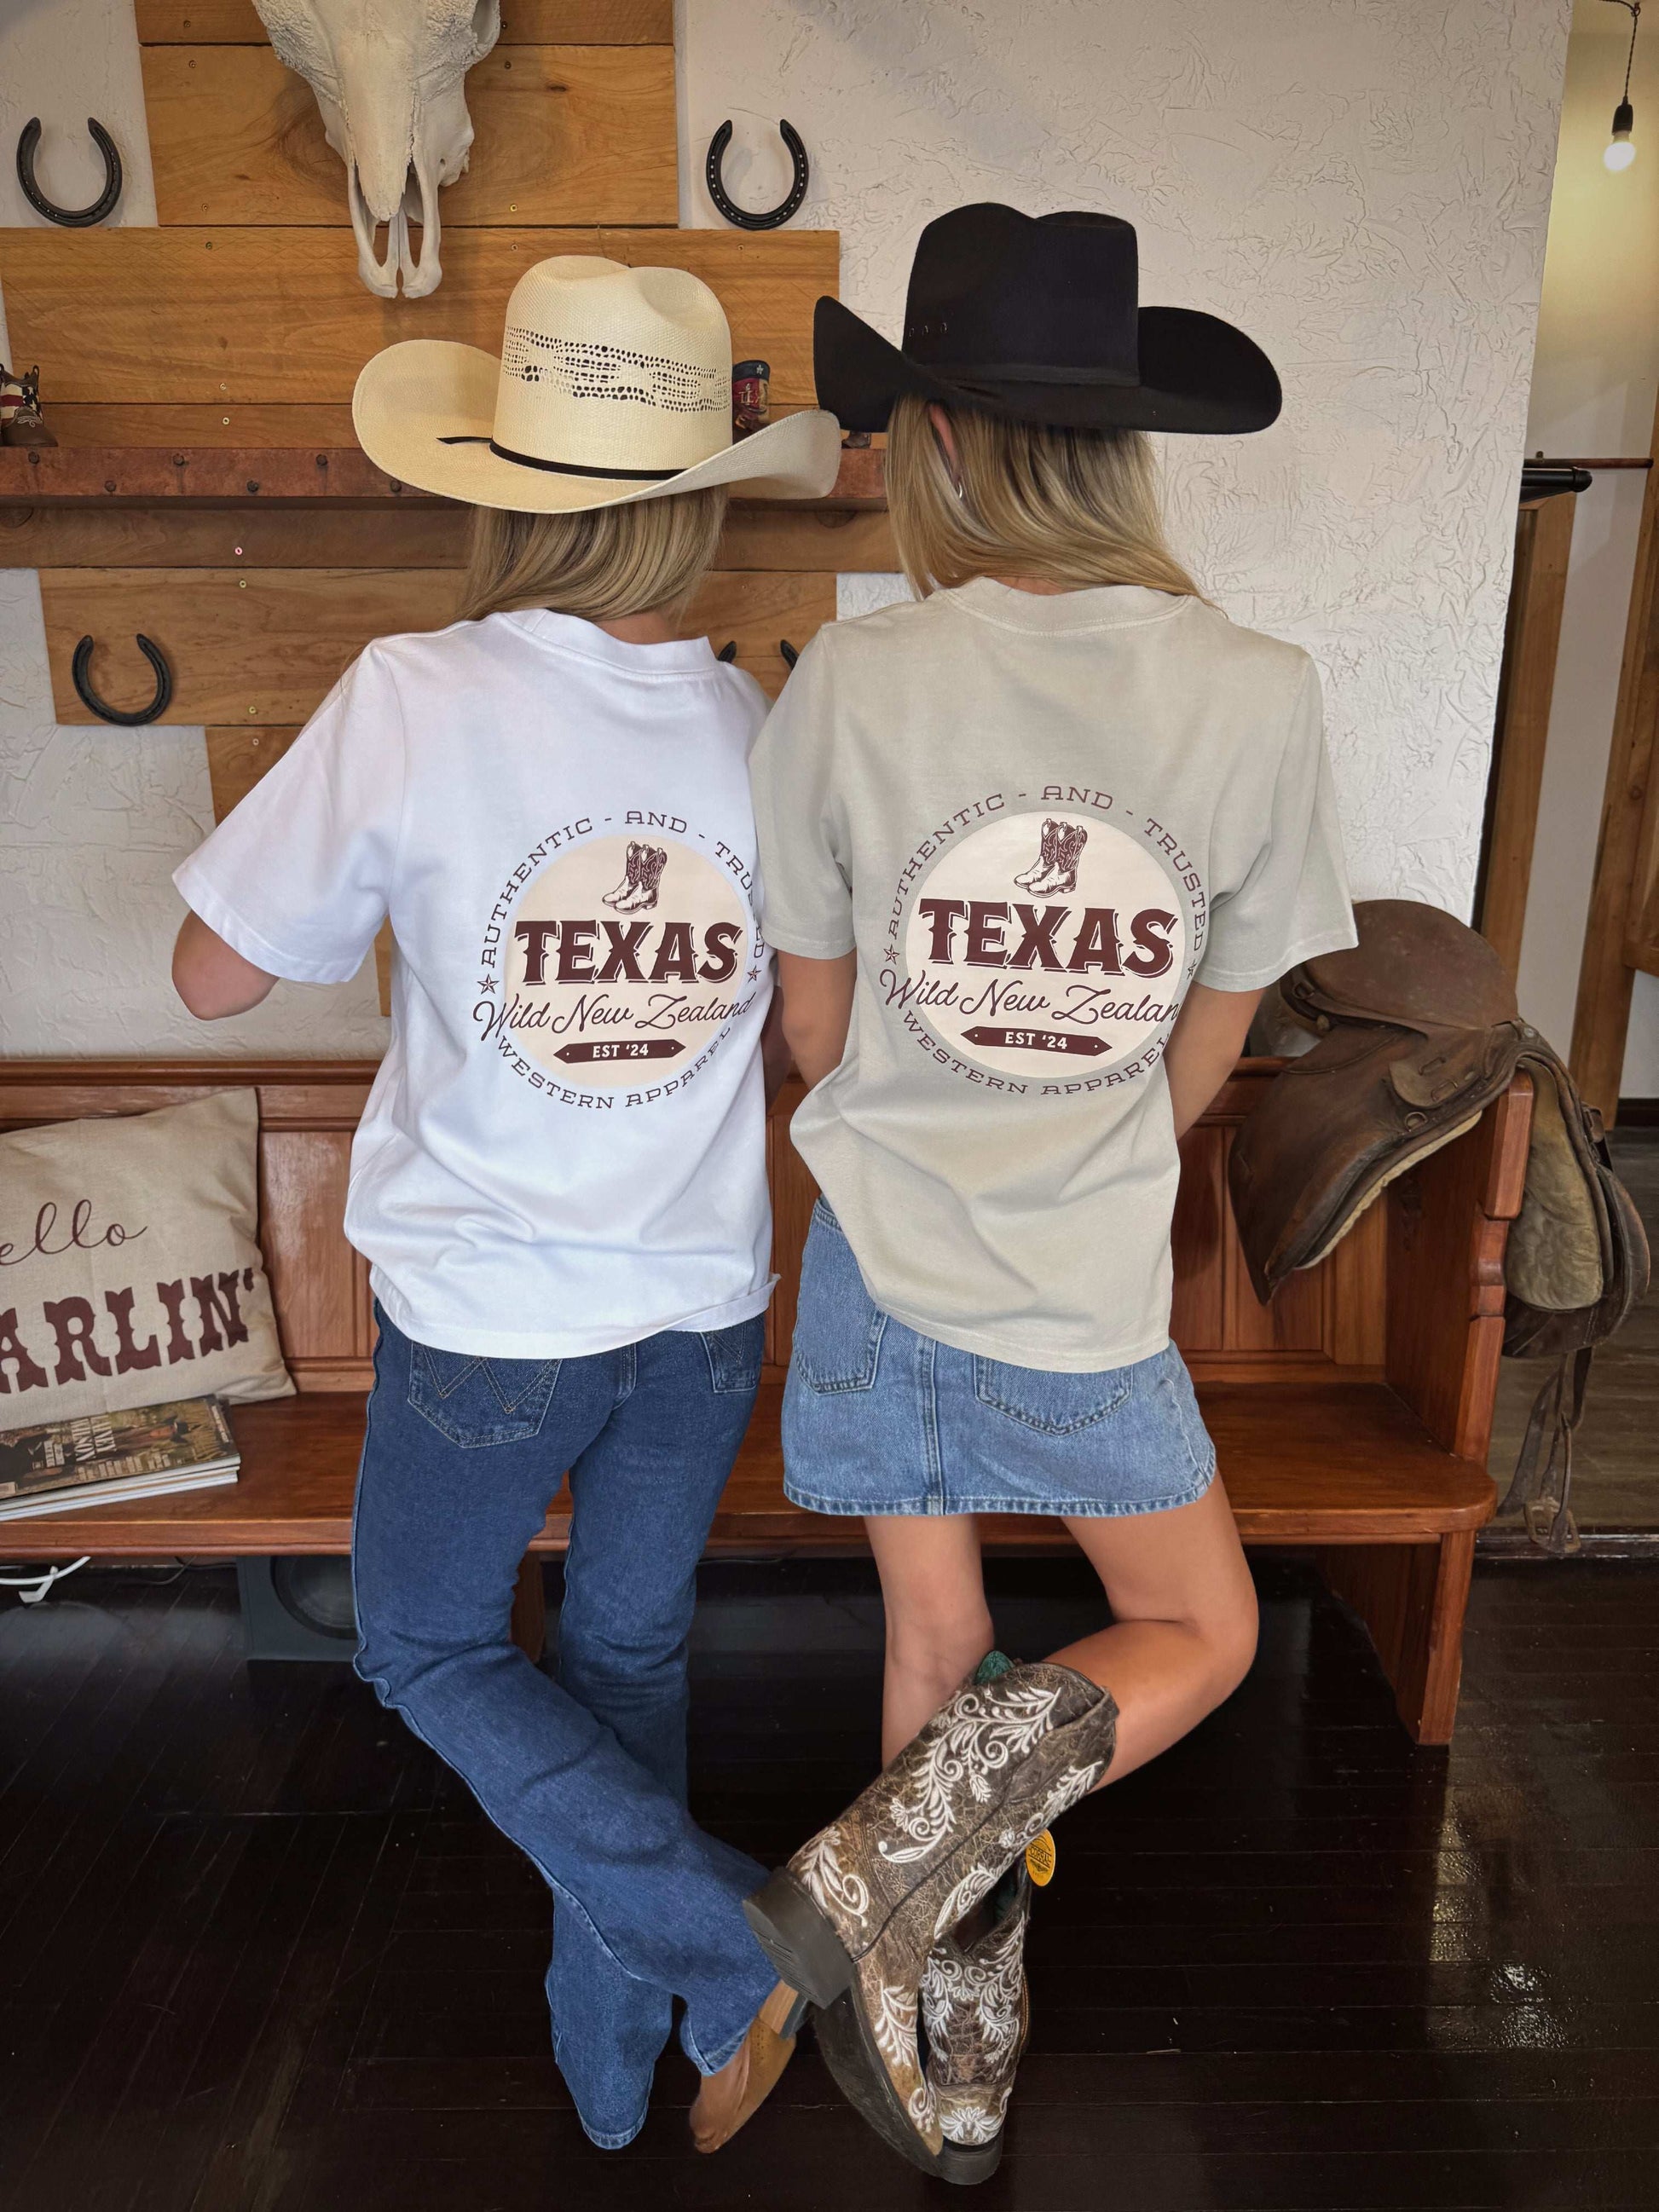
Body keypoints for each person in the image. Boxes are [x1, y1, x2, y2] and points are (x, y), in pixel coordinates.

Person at [169, 255, 841, 2155]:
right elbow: (805, 1025)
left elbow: (215, 973)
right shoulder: (754, 721)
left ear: (504, 485)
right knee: (622, 1662)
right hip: (705, 1303)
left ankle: (731, 1945)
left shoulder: (416, 692)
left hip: (489, 1314)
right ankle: (613, 2075)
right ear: (697, 501)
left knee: (430, 1645)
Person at [742, 204, 1356, 2183]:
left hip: (877, 1249)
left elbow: (816, 1030)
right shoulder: (1255, 689)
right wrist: (1079, 1126)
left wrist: (940, 1104)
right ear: (1123, 445)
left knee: (936, 1648)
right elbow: (1211, 1040)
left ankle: (915, 1978)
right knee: (1197, 1625)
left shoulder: (851, 679)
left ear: (933, 442)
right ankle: (901, 1917)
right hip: (1083, 1267)